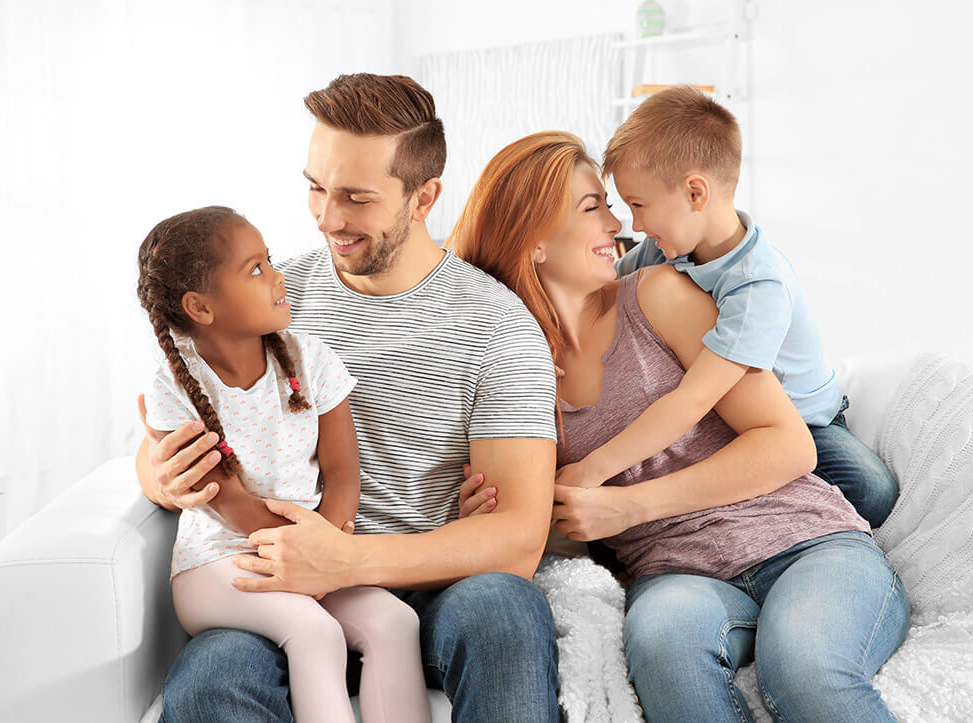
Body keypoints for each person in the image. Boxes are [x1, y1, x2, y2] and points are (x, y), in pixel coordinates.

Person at [135, 74, 561, 723]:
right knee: (213, 678)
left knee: (506, 610)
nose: (327, 216)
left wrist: (348, 558)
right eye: (316, 186)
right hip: (277, 586)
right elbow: (167, 430)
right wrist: (164, 475)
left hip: (430, 593)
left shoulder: (496, 327)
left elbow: (518, 537)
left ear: (424, 197)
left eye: (356, 197)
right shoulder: (270, 297)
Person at [450, 130, 909, 721]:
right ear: (533, 240)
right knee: (667, 656)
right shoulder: (506, 368)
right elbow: (550, 525)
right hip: (672, 577)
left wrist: (630, 506)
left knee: (803, 668)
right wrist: (483, 516)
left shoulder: (658, 295)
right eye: (593, 207)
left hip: (806, 544)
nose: (618, 223)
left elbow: (790, 446)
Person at [136, 205, 430, 723]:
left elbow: (343, 473)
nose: (278, 276)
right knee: (314, 632)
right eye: (256, 269)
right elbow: (229, 504)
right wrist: (305, 560)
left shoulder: (310, 359)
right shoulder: (172, 389)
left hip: (315, 549)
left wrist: (329, 550)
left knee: (393, 620)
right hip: (218, 565)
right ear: (201, 307)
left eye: (270, 260)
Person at [606, 85, 898, 527]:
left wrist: (596, 470)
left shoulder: (757, 283)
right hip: (727, 413)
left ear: (695, 194)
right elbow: (601, 299)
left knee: (873, 491)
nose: (637, 225)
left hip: (804, 418)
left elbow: (692, 401)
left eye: (639, 206)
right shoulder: (660, 252)